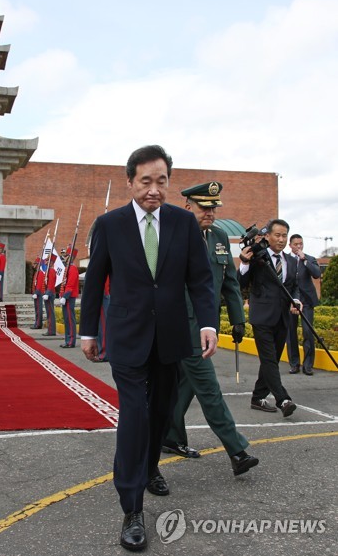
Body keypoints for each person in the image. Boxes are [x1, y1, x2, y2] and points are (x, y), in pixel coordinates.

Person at [80, 145, 217, 552]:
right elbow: (95, 281)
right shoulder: (110, 224)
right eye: (146, 181)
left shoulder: (183, 223)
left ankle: (152, 464)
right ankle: (132, 507)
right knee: (135, 416)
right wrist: (89, 331)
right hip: (127, 336)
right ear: (130, 182)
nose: (154, 190)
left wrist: (208, 324)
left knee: (160, 413)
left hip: (171, 336)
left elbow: (201, 279)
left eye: (162, 181)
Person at [162, 182, 258, 476]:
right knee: (208, 387)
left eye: (214, 207)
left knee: (186, 383)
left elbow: (228, 280)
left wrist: (238, 320)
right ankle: (237, 450)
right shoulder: (171, 234)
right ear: (188, 205)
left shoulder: (217, 236)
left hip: (206, 327)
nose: (211, 213)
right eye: (205, 207)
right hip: (181, 326)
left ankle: (171, 436)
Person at [238, 219, 301, 418]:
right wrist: (245, 263)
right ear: (268, 236)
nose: (281, 239)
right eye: (277, 235)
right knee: (269, 359)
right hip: (262, 317)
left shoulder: (290, 261)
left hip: (283, 317)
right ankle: (283, 399)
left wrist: (296, 300)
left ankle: (257, 397)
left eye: (284, 236)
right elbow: (242, 282)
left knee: (271, 360)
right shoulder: (257, 256)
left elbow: (293, 286)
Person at [286, 234, 321, 375]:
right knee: (291, 333)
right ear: (290, 245)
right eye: (296, 244)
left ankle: (308, 365)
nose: (299, 246)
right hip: (291, 302)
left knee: (307, 331)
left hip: (306, 301)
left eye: (301, 244)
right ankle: (294, 364)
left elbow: (317, 274)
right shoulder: (286, 259)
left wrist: (304, 259)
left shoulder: (309, 259)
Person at [59, 246, 79, 348]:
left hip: (69, 297)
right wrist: (61, 295)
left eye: (66, 255)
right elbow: (64, 284)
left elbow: (70, 285)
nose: (64, 257)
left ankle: (71, 341)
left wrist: (65, 296)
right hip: (66, 297)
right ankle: (68, 340)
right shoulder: (68, 268)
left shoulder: (73, 269)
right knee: (67, 319)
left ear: (70, 257)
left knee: (70, 319)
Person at [42, 253, 58, 336]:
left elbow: (51, 284)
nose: (46, 261)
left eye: (48, 260)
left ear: (51, 262)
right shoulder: (48, 270)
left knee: (50, 313)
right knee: (49, 313)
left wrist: (47, 293)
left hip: (50, 293)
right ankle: (50, 330)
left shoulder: (51, 270)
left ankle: (51, 331)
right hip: (49, 293)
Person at [30, 257, 45, 329]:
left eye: (35, 263)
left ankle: (38, 324)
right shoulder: (37, 273)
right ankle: (37, 323)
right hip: (36, 293)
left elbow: (39, 284)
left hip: (38, 294)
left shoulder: (40, 273)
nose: (34, 265)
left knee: (39, 309)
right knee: (37, 309)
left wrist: (36, 292)